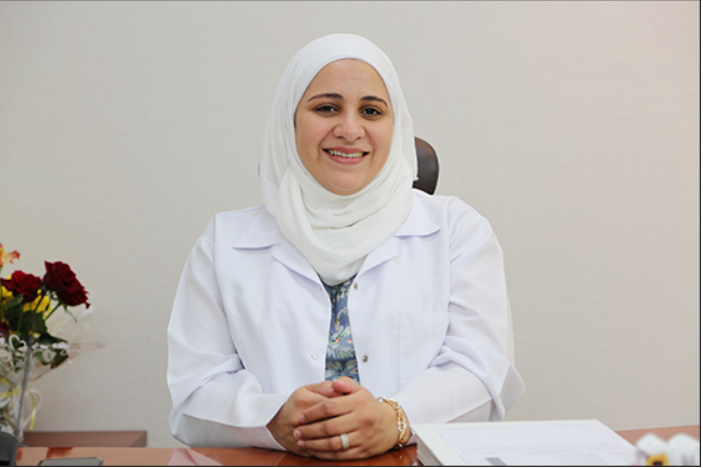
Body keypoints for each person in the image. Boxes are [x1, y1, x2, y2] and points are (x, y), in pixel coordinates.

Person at [167, 33, 525, 460]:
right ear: (289, 122)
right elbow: (194, 391)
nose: (350, 130)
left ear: (396, 126)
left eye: (371, 111)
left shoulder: (456, 232)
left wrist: (395, 419)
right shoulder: (224, 243)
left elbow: (483, 372)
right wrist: (273, 419)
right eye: (326, 108)